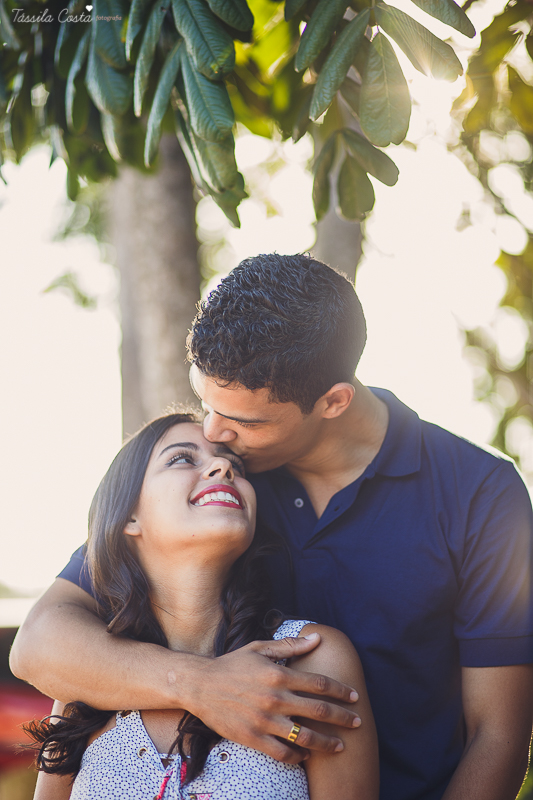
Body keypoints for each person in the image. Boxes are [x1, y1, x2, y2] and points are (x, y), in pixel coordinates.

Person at [11, 254, 533, 800]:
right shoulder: (218, 492)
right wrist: (202, 686)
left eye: (243, 421)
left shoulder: (479, 493)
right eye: (205, 402)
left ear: (333, 402)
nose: (214, 433)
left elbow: (496, 736)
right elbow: (39, 644)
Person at [25, 412, 379, 800]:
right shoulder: (86, 675)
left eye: (235, 465)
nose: (223, 467)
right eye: (181, 458)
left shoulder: (312, 658)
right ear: (129, 516)